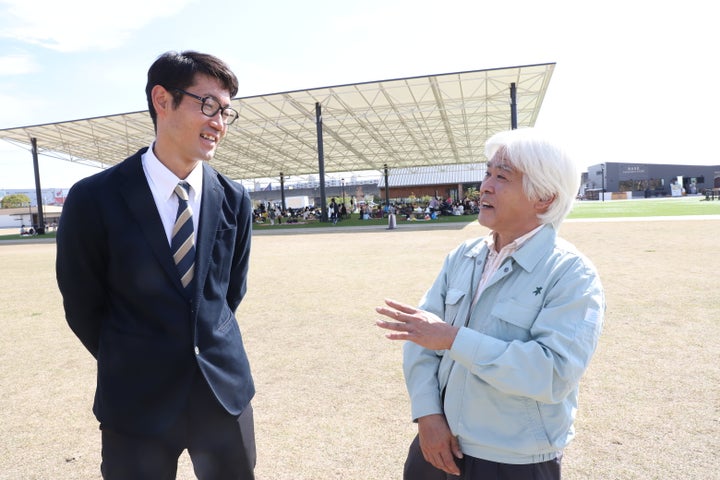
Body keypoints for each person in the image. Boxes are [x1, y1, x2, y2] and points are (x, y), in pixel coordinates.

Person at [56, 51, 256, 479]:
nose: (218, 122)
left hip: (221, 395)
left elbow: (227, 294)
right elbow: (82, 304)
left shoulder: (234, 200)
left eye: (225, 112)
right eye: (207, 106)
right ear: (161, 100)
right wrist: (137, 354)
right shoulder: (94, 198)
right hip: (136, 401)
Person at [376, 128, 604, 480]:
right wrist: (427, 415)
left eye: (502, 176)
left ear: (544, 198)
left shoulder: (571, 274)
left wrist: (454, 339)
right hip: (436, 445)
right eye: (487, 173)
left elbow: (553, 374)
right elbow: (421, 340)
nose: (484, 186)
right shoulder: (463, 257)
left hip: (513, 462)